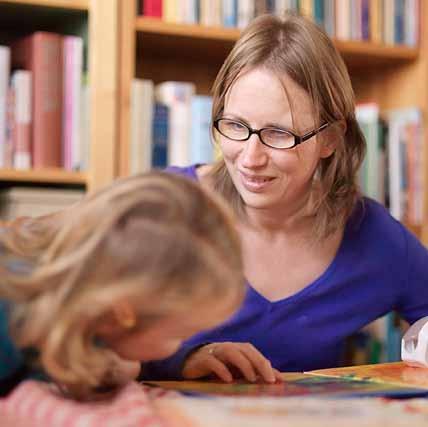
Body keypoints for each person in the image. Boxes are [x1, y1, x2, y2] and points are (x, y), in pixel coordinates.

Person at [141, 12, 428, 384]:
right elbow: (78, 334)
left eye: (279, 133)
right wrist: (180, 358)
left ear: (330, 139)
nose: (250, 158)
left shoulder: (373, 237)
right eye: (235, 126)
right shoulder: (159, 209)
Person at [0, 171, 244, 400]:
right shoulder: (12, 318)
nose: (177, 344)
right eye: (178, 335)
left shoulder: (93, 309)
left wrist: (184, 359)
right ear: (123, 312)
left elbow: (128, 347)